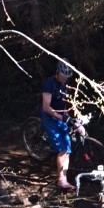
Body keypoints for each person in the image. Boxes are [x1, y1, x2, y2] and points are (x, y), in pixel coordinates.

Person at [40, 59, 76, 190]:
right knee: (63, 150)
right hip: (50, 117)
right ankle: (61, 180)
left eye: (67, 77)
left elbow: (65, 103)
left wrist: (70, 116)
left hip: (61, 116)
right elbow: (46, 107)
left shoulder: (65, 84)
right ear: (57, 73)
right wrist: (59, 117)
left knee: (67, 147)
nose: (64, 79)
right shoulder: (49, 84)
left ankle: (64, 176)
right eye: (62, 77)